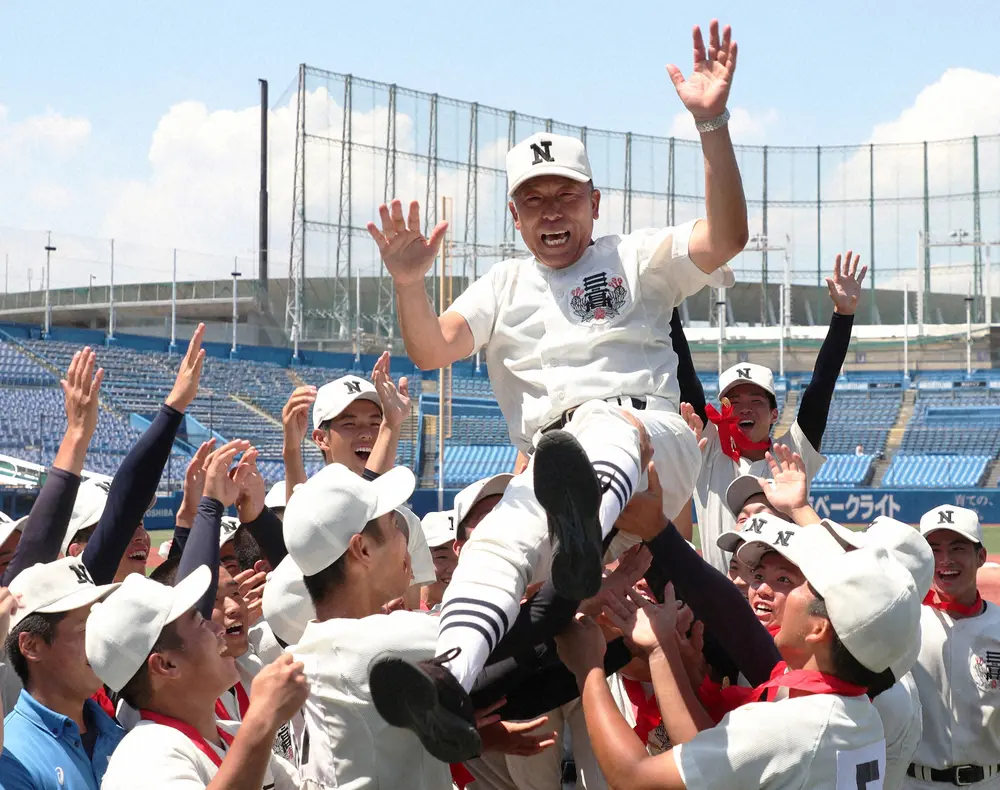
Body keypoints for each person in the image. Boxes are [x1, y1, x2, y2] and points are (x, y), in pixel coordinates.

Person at [366, 21, 748, 759]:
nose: (550, 209)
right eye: (532, 198)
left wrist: (712, 124)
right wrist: (410, 283)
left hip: (650, 441)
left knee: (604, 434)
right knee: (494, 544)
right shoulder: (503, 283)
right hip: (554, 465)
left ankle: (582, 531)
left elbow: (726, 236)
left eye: (565, 194)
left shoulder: (636, 256)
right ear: (514, 215)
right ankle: (449, 679)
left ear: (594, 202)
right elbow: (430, 347)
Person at [558, 526, 921, 790]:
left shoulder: (790, 727)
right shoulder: (857, 713)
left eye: (804, 585)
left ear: (818, 628)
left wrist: (589, 669)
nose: (785, 591)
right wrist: (661, 649)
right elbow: (706, 752)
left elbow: (634, 777)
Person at [673, 251, 865, 573]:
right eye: (734, 402)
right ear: (721, 410)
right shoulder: (706, 450)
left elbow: (821, 387)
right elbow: (685, 374)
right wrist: (667, 302)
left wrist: (843, 316)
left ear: (775, 414)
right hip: (719, 594)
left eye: (756, 400)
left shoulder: (791, 454)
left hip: (777, 593)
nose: (745, 408)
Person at [85, 567, 307, 789]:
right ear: (166, 665)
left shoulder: (230, 733)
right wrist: (262, 718)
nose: (218, 629)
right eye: (200, 622)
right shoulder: (144, 758)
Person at [0, 557, 124, 789]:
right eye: (85, 629)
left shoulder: (120, 732)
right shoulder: (11, 756)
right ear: (32, 646)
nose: (100, 640)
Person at [904, 505, 1000, 788]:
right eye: (934, 550)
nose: (945, 560)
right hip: (915, 782)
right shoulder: (903, 622)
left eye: (958, 548)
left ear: (981, 556)